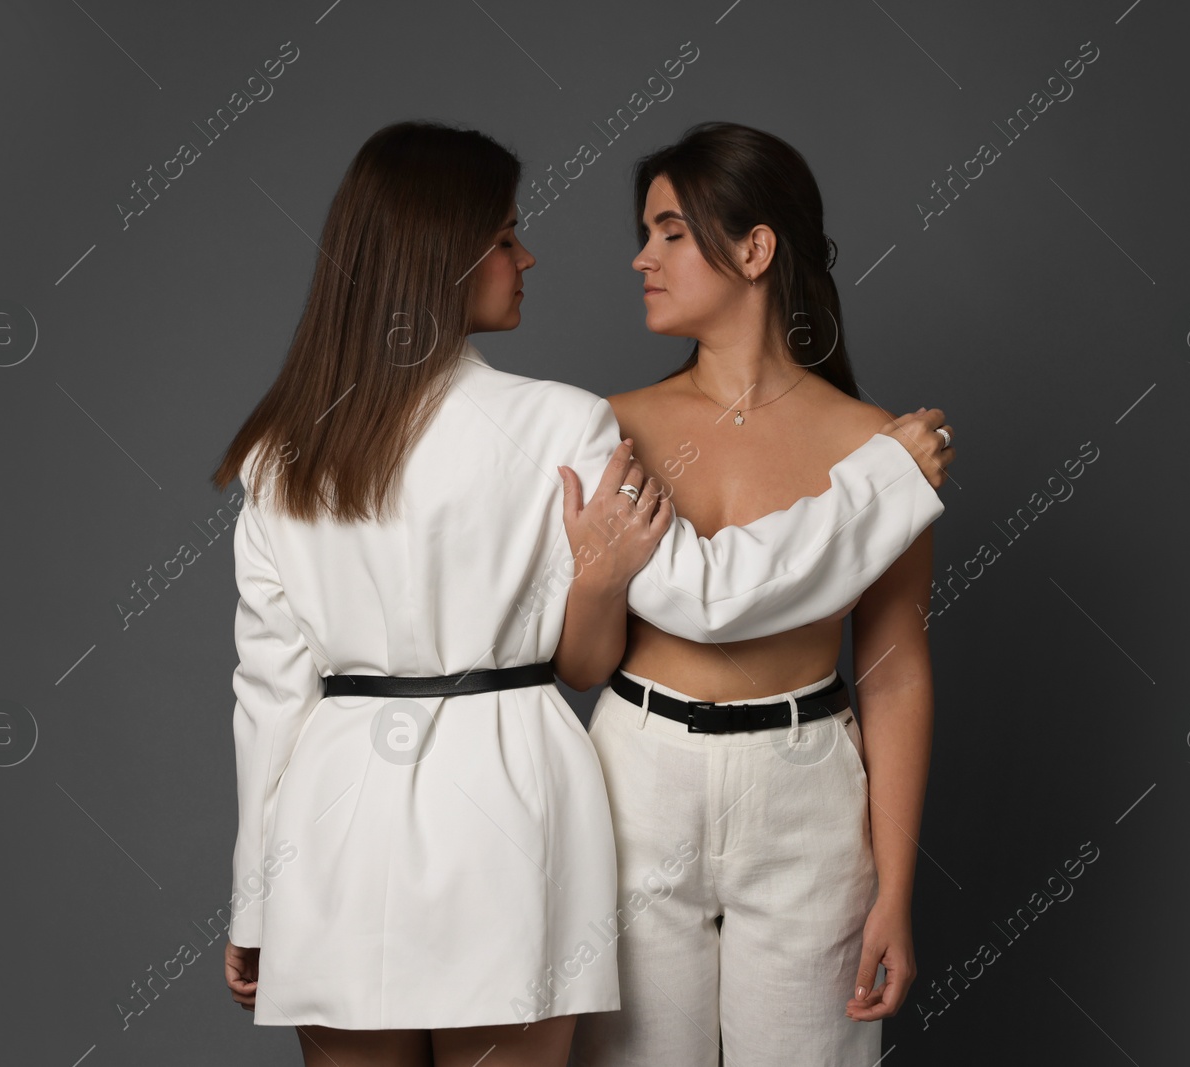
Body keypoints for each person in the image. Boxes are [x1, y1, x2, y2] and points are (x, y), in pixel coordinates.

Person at [210, 120, 954, 1067]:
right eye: (509, 233)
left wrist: (253, 896)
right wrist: (885, 484)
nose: (533, 253)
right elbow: (708, 597)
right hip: (522, 794)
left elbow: (268, 698)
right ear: (450, 253)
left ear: (758, 250)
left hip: (332, 816)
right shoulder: (566, 421)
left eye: (671, 231)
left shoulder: (279, 453)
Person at [569, 122, 951, 1067]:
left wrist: (896, 891)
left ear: (755, 247)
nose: (640, 258)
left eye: (667, 231)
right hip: (634, 781)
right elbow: (579, 661)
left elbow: (895, 676)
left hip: (806, 789)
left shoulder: (879, 447)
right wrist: (594, 581)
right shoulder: (612, 426)